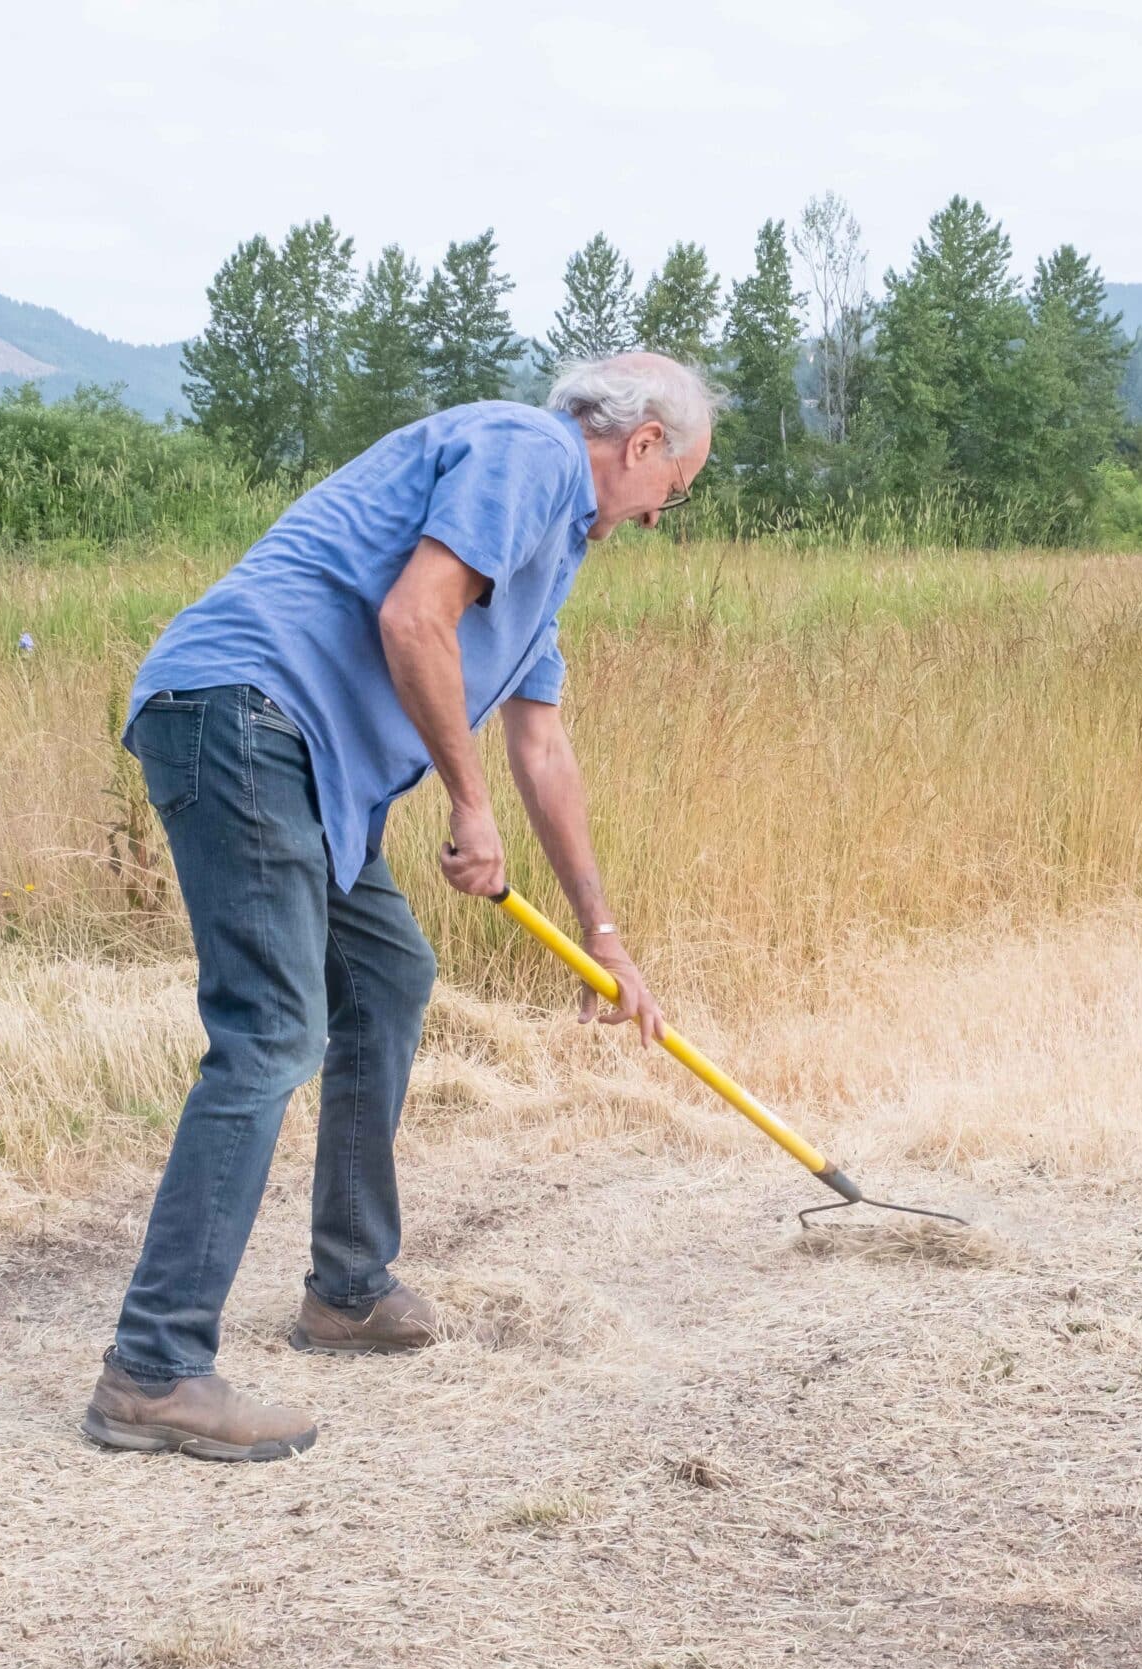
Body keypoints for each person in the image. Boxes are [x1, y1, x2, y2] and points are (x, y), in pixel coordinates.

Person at [80, 352, 715, 1462]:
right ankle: (152, 1368)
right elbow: (413, 618)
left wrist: (601, 940)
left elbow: (542, 744)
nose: (663, 517)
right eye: (677, 490)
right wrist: (466, 805)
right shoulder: (529, 454)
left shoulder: (543, 557)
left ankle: (348, 1290)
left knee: (386, 975)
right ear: (642, 443)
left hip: (308, 765)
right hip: (244, 718)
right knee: (271, 1031)